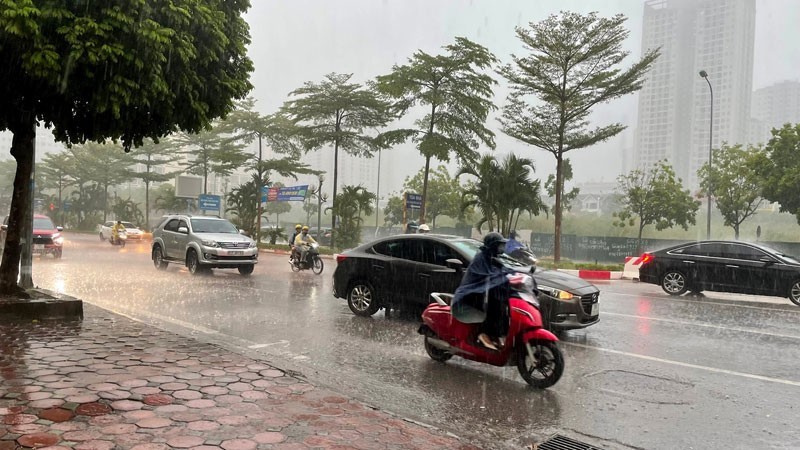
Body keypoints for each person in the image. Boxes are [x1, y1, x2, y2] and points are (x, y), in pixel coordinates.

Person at [451, 232, 514, 351]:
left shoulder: (492, 258)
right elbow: (488, 275)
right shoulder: (481, 258)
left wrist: (517, 273)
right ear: (493, 246)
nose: (502, 248)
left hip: (484, 292)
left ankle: (496, 335)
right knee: (494, 308)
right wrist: (503, 277)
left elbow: (504, 269)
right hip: (471, 294)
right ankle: (483, 334)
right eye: (499, 245)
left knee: (502, 308)